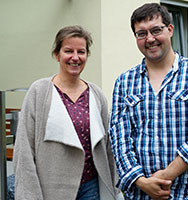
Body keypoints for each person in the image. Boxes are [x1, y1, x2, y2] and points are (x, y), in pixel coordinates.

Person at [109, 3, 188, 200]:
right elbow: (119, 138)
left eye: (156, 30)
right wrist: (141, 181)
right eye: (142, 33)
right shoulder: (124, 82)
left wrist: (166, 175)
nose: (150, 39)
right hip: (140, 195)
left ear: (170, 30)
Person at [13, 25, 123, 200]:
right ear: (57, 55)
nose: (75, 57)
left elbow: (107, 148)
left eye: (81, 51)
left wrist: (115, 189)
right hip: (51, 190)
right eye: (68, 51)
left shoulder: (96, 94)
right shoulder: (39, 91)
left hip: (91, 188)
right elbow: (24, 151)